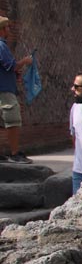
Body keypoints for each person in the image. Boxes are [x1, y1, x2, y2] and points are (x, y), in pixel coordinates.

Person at [0, 16, 34, 163]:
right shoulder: (1, 45)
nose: (8, 30)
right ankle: (15, 153)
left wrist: (14, 73)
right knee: (12, 120)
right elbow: (12, 65)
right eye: (6, 27)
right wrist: (25, 61)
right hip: (4, 90)